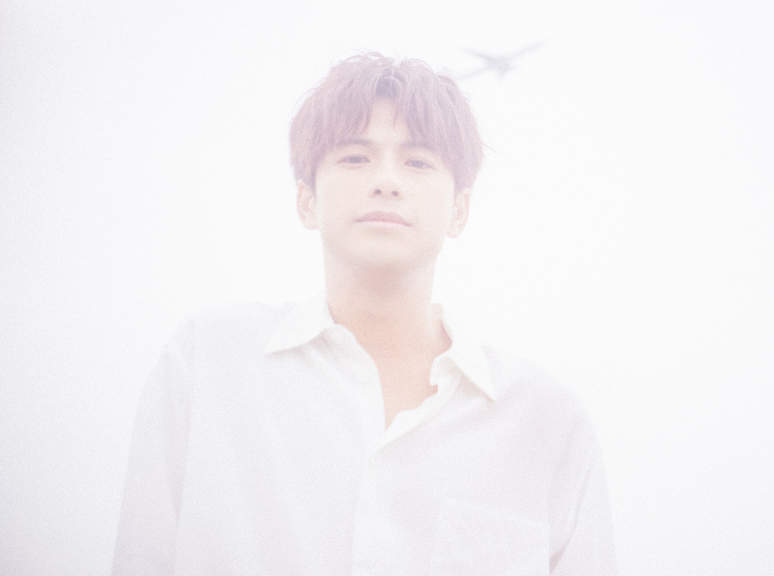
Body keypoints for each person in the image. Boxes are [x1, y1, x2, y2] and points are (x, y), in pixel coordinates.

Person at [112, 52, 616, 575]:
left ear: (460, 210)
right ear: (306, 201)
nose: (387, 181)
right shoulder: (210, 362)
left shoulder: (546, 422)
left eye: (418, 162)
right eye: (355, 158)